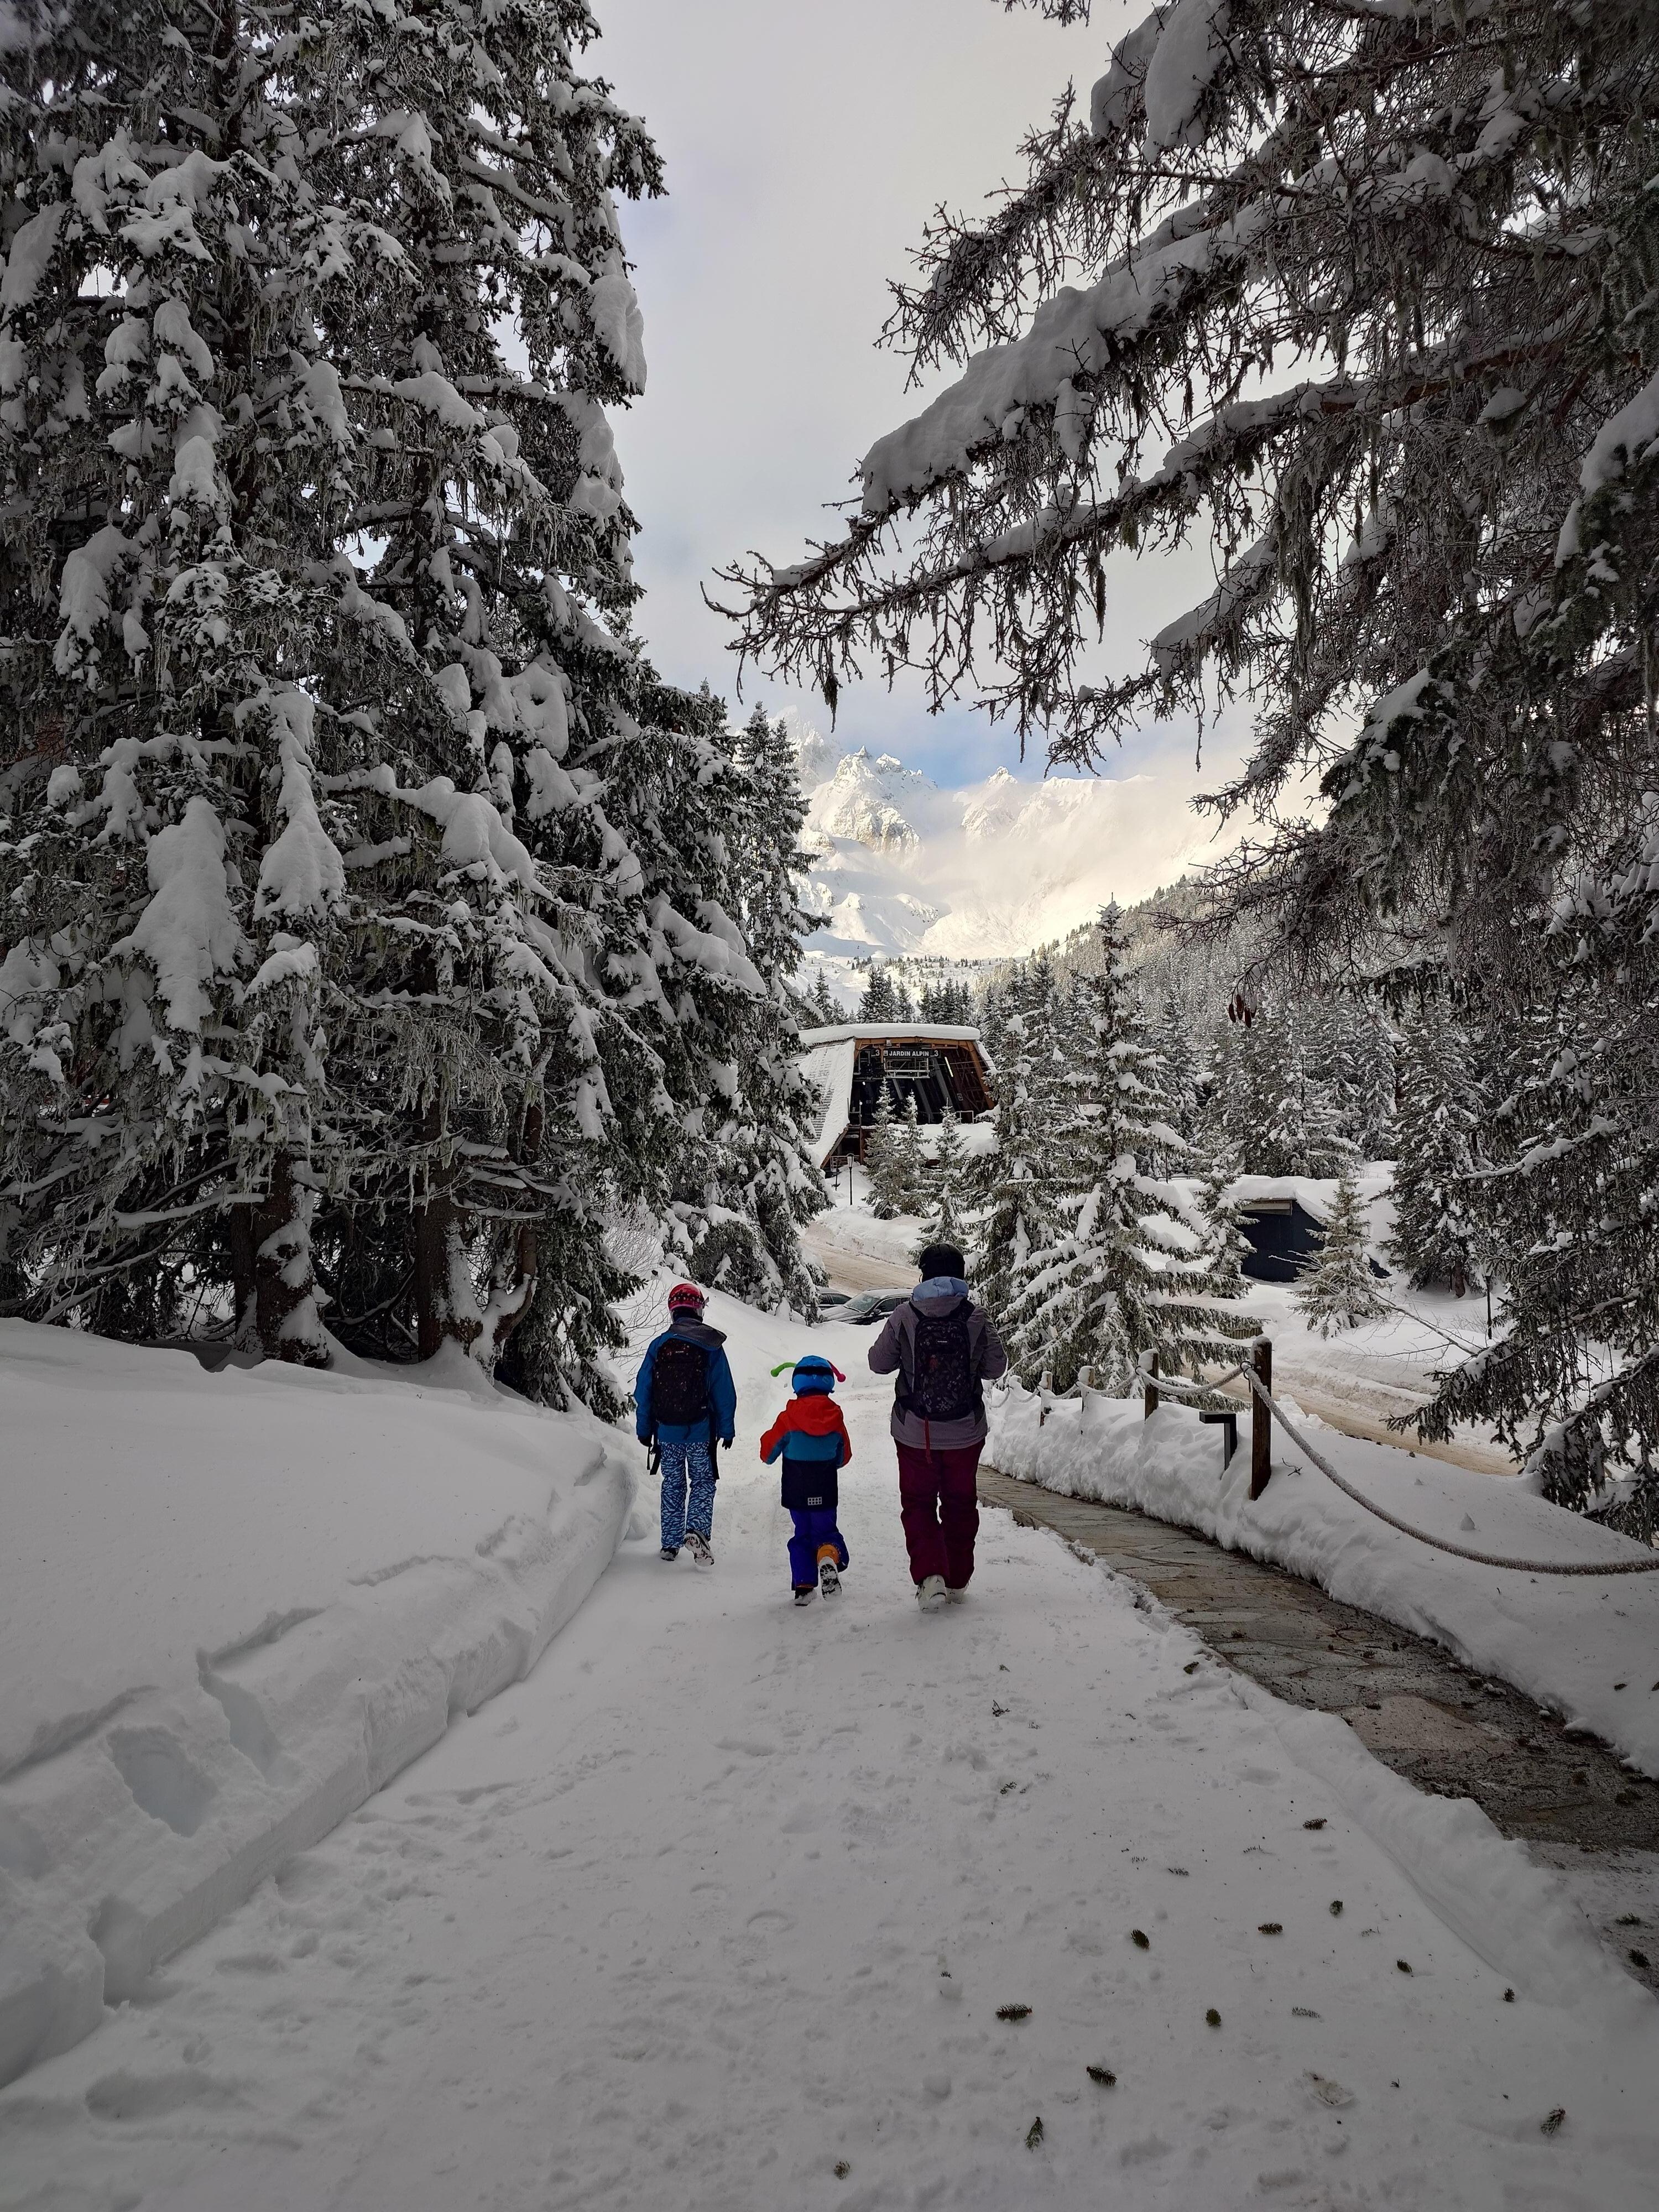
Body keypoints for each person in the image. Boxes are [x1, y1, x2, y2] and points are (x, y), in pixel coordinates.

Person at [868, 1241, 1007, 1611]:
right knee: (961, 1504)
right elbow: (996, 1368)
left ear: (924, 1276)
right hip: (965, 1433)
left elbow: (878, 1363)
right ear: (960, 1276)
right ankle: (958, 1580)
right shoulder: (976, 1317)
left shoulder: (905, 1314)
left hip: (916, 1433)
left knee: (918, 1503)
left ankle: (931, 1577)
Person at [634, 1282, 736, 1566]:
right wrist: (726, 1429)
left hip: (667, 1433)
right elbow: (724, 1392)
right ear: (699, 1310)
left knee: (673, 1484)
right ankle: (697, 1530)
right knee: (702, 1481)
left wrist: (644, 1430)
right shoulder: (710, 1345)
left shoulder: (659, 1345)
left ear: (673, 1311)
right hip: (701, 1432)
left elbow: (644, 1391)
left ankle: (670, 1544)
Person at [759, 1354, 852, 1607]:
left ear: (797, 1384)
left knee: (802, 1534)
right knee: (825, 1531)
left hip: (796, 1491)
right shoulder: (835, 1417)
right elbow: (844, 1456)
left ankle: (803, 1587)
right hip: (825, 1488)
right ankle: (827, 1556)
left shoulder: (787, 1418)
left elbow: (767, 1454)